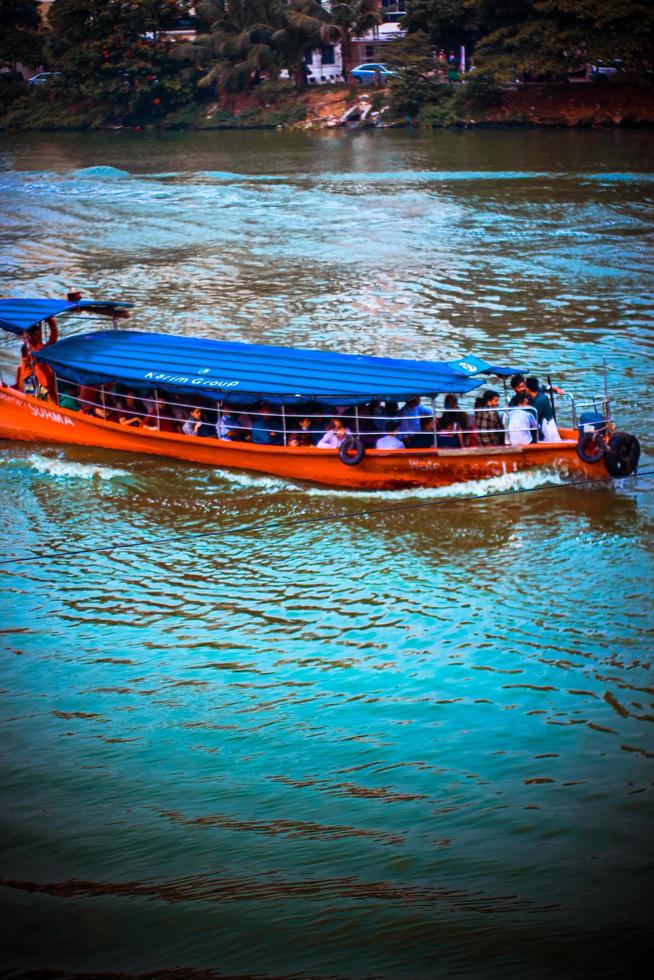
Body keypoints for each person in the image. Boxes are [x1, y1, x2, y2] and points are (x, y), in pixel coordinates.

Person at [15, 316, 59, 399]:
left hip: (40, 375)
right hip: (29, 376)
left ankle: (42, 400)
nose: (38, 337)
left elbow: (53, 339)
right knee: (31, 395)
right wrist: (35, 361)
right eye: (36, 335)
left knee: (41, 394)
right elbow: (27, 362)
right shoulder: (26, 347)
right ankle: (32, 403)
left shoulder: (40, 345)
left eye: (39, 334)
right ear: (30, 336)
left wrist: (51, 322)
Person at [525, 376, 561, 442]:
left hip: (546, 426)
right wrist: (555, 389)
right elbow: (545, 387)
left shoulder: (540, 400)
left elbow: (532, 418)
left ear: (527, 389)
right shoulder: (538, 391)